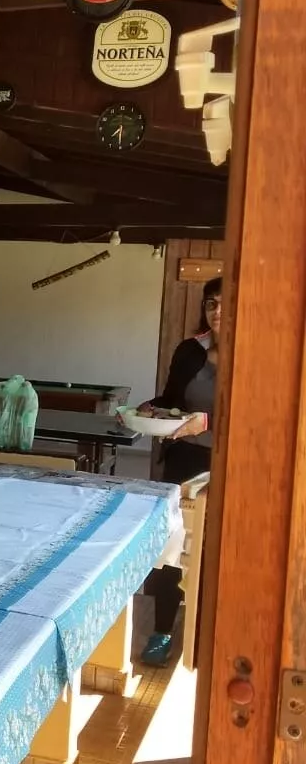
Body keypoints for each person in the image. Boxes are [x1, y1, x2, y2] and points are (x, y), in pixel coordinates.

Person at [138, 276, 221, 666]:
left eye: (225, 302)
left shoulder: (259, 348)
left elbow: (259, 413)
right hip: (185, 461)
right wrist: (148, 410)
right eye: (210, 303)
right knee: (172, 543)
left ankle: (211, 632)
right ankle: (162, 631)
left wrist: (207, 422)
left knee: (218, 550)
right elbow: (173, 401)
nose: (217, 311)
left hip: (231, 464)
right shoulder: (190, 350)